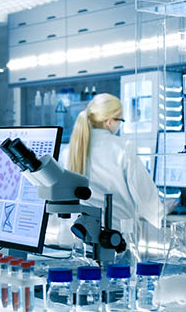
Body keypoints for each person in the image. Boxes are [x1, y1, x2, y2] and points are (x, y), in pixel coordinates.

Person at [58, 93, 172, 244]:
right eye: (121, 120)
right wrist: (161, 211)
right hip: (115, 238)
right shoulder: (123, 147)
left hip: (75, 238)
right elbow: (143, 191)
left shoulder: (69, 151)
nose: (120, 125)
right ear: (109, 121)